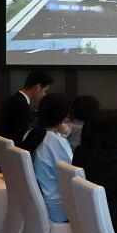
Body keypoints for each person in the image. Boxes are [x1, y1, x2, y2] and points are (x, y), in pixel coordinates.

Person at [18, 93, 73, 223]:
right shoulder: (56, 142)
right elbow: (73, 176)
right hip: (58, 208)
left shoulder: (30, 134)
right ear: (63, 117)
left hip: (38, 201)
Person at [0, 70, 53, 168]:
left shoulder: (14, 99)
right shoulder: (21, 104)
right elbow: (21, 136)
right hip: (12, 159)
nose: (44, 95)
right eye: (44, 90)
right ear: (38, 87)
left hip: (3, 154)